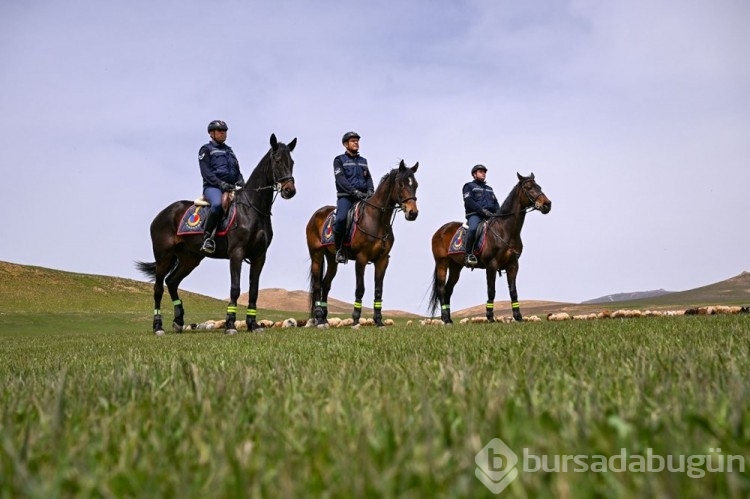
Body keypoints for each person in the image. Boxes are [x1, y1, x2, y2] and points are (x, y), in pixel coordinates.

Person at [198, 120, 245, 254]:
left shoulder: (229, 151)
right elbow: (206, 173)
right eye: (220, 131)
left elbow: (237, 170)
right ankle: (207, 237)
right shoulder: (206, 150)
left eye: (224, 131)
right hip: (213, 187)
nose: (223, 134)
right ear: (211, 133)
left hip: (230, 188)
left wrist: (240, 180)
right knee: (218, 205)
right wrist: (220, 183)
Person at [333, 131, 374, 264]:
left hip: (363, 197)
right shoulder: (339, 160)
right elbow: (341, 180)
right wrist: (354, 192)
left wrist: (370, 191)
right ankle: (339, 250)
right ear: (346, 144)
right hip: (346, 197)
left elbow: (368, 178)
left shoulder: (363, 161)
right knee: (341, 219)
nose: (356, 142)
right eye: (352, 141)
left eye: (357, 140)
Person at [462, 164, 500, 266]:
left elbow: (495, 203)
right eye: (481, 171)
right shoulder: (468, 186)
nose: (483, 173)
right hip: (475, 215)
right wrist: (482, 211)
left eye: (484, 172)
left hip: (490, 216)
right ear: (474, 174)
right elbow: (469, 201)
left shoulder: (489, 189)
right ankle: (468, 254)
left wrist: (500, 213)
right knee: (473, 229)